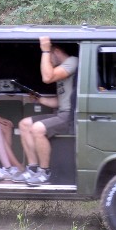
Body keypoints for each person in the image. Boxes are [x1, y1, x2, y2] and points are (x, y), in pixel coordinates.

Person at [13, 37, 78, 187]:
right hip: (61, 113)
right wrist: (39, 99)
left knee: (37, 128)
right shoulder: (63, 70)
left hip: (71, 115)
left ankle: (45, 172)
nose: (48, 62)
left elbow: (47, 77)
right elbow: (59, 101)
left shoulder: (73, 61)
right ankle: (33, 168)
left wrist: (45, 50)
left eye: (49, 58)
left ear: (56, 51)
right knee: (24, 124)